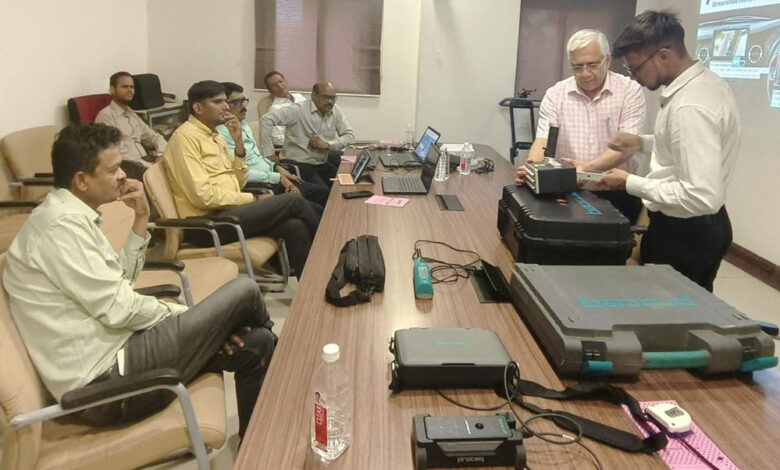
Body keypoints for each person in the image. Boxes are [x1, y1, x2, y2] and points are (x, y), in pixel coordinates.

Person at [3, 123, 275, 438]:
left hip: (121, 351)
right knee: (245, 290)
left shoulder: (73, 216)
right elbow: (120, 309)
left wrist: (141, 218)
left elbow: (121, 283)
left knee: (257, 343)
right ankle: (292, 376)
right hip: (105, 384)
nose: (123, 175)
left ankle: (258, 443)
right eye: (113, 170)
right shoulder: (60, 229)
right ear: (81, 180)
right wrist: (193, 318)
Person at [601, 10, 740, 292]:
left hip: (686, 233)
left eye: (636, 69)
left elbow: (700, 196)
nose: (634, 78)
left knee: (671, 312)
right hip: (693, 226)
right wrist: (641, 143)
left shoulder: (691, 106)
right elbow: (686, 145)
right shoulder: (702, 85)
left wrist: (630, 183)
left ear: (663, 56)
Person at [164, 80, 320, 276]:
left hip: (228, 211)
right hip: (205, 223)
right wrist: (253, 199)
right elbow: (202, 196)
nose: (225, 107)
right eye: (218, 102)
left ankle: (313, 282)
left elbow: (239, 182)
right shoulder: (185, 138)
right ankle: (331, 254)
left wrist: (238, 144)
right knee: (293, 201)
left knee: (294, 226)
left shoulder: (215, 135)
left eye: (225, 101)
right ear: (198, 108)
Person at [515, 29, 646, 224]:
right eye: (577, 67)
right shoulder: (556, 94)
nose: (585, 73)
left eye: (592, 65)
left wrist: (586, 169)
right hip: (568, 192)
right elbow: (543, 140)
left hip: (616, 193)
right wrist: (533, 170)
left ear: (608, 60)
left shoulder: (630, 91)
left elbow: (626, 147)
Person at [216, 82, 329, 210]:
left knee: (324, 193)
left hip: (273, 175)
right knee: (319, 205)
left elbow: (257, 158)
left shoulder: (242, 124)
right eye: (237, 102)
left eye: (243, 101)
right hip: (264, 185)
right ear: (224, 106)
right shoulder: (221, 134)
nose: (243, 107)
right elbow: (239, 172)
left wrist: (276, 167)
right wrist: (278, 177)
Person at [260, 81, 355, 187]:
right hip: (299, 163)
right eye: (325, 97)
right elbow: (266, 119)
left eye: (333, 98)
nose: (330, 102)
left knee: (347, 182)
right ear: (314, 95)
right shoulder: (298, 110)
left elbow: (350, 136)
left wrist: (328, 145)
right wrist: (268, 153)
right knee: (324, 192)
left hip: (320, 162)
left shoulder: (335, 110)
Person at [94, 71, 167, 180]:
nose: (130, 90)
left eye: (132, 87)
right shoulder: (106, 116)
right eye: (125, 87)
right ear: (112, 90)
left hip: (145, 161)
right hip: (127, 166)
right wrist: (149, 165)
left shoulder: (132, 114)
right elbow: (112, 153)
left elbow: (154, 136)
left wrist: (160, 155)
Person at [257, 71, 306, 148]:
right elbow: (277, 139)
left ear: (285, 81)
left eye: (280, 81)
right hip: (293, 147)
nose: (280, 86)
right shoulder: (275, 108)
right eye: (274, 85)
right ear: (270, 90)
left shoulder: (300, 97)